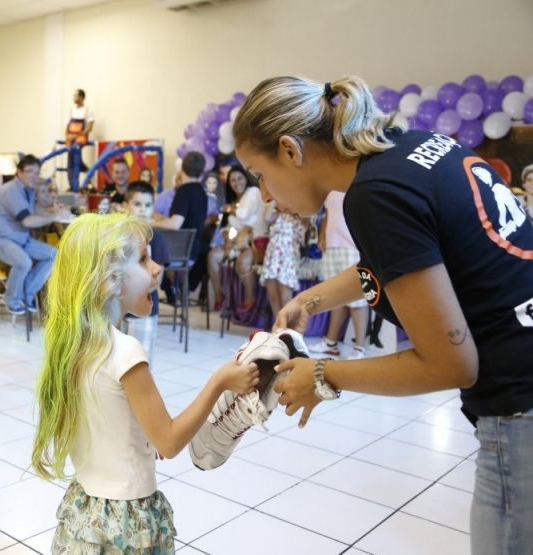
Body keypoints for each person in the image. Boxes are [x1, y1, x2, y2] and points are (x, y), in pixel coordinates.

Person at [233, 75, 533, 554]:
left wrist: (323, 376)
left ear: (290, 150)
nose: (265, 195)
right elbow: (406, 261)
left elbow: (452, 363)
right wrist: (308, 301)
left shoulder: (373, 196)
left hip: (519, 402)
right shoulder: (411, 148)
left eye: (259, 175)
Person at [31, 213, 258, 553]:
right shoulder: (125, 352)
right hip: (126, 516)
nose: (156, 268)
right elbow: (168, 442)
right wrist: (220, 382)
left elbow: (107, 420)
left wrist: (140, 438)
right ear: (107, 279)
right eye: (142, 259)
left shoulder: (72, 345)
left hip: (86, 512)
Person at [0, 155, 71, 315]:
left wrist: (54, 211)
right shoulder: (11, 189)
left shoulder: (27, 190)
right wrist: (55, 216)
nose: (34, 176)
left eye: (37, 173)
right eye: (30, 171)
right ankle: (11, 299)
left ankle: (25, 295)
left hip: (19, 239)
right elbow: (27, 221)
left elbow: (33, 212)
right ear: (19, 172)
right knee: (23, 262)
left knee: (54, 254)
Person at [308, 191, 368, 359]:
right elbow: (328, 214)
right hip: (331, 246)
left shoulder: (358, 184)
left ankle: (359, 347)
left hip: (352, 247)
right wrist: (322, 236)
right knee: (335, 297)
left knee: (358, 300)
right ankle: (331, 342)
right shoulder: (331, 189)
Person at [206, 166, 267, 312]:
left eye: (239, 178)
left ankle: (250, 299)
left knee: (243, 262)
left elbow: (243, 215)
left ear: (246, 178)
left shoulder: (253, 192)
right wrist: (226, 235)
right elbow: (226, 225)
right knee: (212, 257)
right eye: (232, 180)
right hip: (233, 241)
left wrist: (229, 208)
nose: (236, 182)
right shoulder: (233, 199)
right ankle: (219, 296)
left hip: (252, 241)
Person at [122, 181, 170, 361]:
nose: (142, 210)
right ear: (125, 206)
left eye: (148, 205)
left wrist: (129, 288)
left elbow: (156, 280)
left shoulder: (157, 240)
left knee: (140, 363)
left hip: (145, 312)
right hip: (114, 311)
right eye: (137, 204)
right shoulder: (117, 237)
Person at [153, 151, 209, 291]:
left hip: (179, 252)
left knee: (147, 250)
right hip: (194, 250)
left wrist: (150, 222)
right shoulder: (202, 192)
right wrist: (164, 219)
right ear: (201, 171)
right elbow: (189, 221)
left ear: (182, 168)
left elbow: (175, 224)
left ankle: (160, 291)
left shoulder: (184, 191)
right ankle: (172, 289)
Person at [66, 89, 95, 190]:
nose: (74, 98)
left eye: (76, 96)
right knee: (70, 161)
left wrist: (78, 135)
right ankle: (72, 186)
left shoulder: (88, 110)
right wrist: (68, 136)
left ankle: (77, 186)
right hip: (71, 138)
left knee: (75, 150)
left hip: (81, 137)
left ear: (81, 97)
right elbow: (67, 126)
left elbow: (90, 127)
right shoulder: (71, 110)